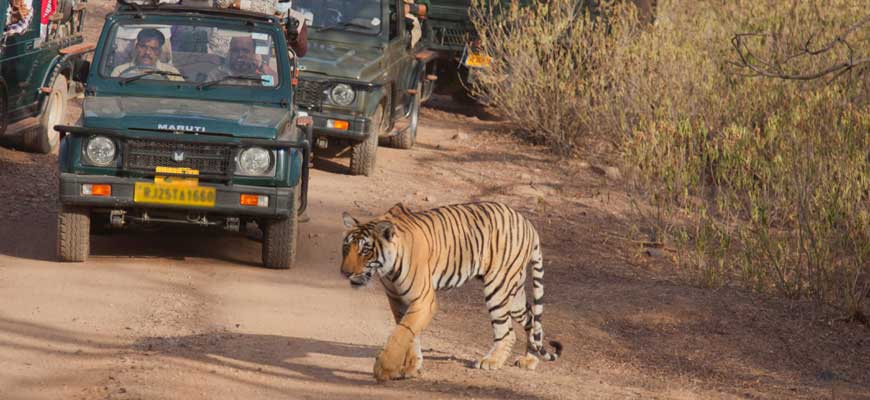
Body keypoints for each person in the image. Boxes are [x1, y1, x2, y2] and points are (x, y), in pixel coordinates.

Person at [111, 28, 184, 80]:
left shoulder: (172, 73)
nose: (147, 52)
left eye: (153, 49)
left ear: (159, 51)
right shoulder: (119, 71)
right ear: (136, 47)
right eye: (143, 47)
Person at [205, 36, 277, 84]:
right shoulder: (217, 74)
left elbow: (276, 87)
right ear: (230, 52)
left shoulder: (261, 74)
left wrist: (261, 66)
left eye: (245, 51)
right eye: (235, 50)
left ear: (253, 53)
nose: (240, 54)